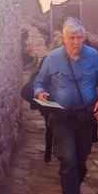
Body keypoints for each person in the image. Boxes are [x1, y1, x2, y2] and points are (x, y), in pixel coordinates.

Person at [34, 19, 98, 194]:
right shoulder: (52, 58)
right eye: (72, 38)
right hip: (61, 119)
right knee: (68, 159)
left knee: (79, 162)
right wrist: (40, 92)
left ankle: (72, 190)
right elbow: (38, 83)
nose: (76, 42)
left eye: (80, 38)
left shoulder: (94, 57)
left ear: (84, 37)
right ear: (64, 38)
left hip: (85, 118)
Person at [20, 35, 64, 164]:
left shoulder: (59, 60)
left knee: (56, 126)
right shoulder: (49, 60)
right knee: (50, 125)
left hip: (57, 99)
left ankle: (54, 153)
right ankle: (50, 152)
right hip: (49, 99)